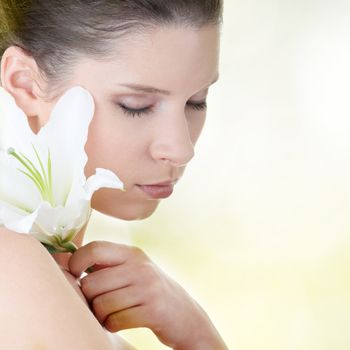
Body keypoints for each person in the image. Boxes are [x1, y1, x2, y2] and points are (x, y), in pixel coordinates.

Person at [0, 1, 227, 349]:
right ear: (26, 83)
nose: (181, 149)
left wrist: (195, 330)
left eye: (197, 101)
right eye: (136, 105)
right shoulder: (11, 264)